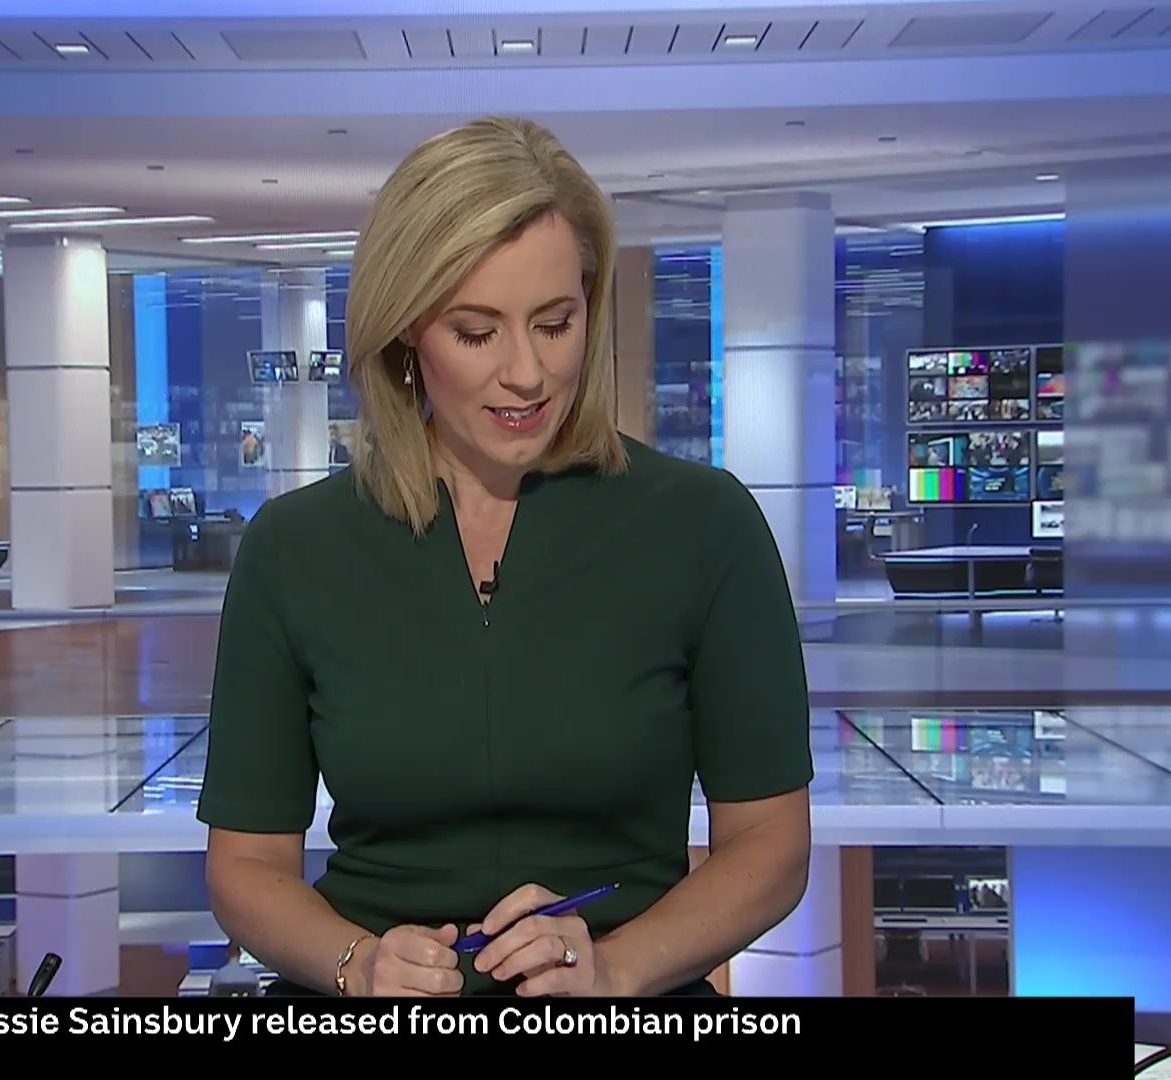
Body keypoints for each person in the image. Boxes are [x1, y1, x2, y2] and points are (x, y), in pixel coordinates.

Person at [197, 116, 814, 999]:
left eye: (555, 323)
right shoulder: (293, 549)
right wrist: (357, 963)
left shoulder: (706, 526)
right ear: (407, 330)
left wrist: (617, 968)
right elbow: (246, 866)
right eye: (477, 332)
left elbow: (771, 846)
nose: (526, 373)